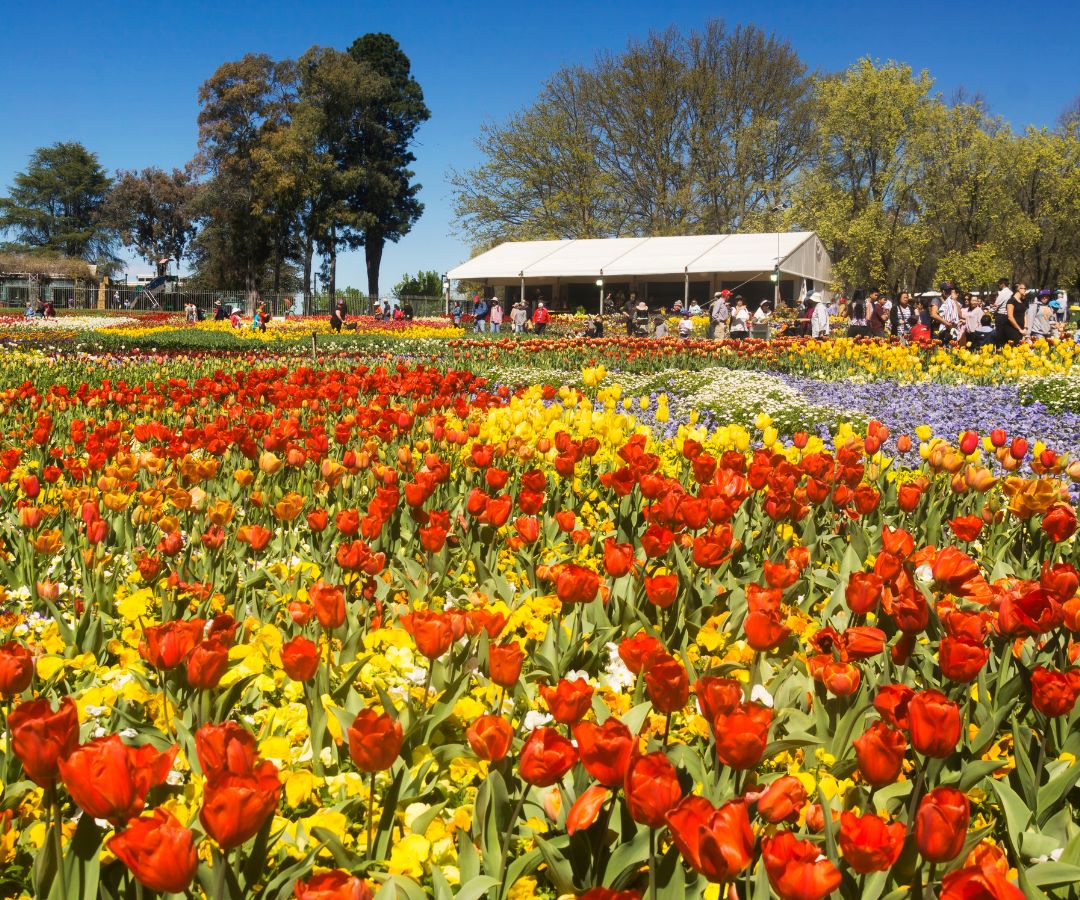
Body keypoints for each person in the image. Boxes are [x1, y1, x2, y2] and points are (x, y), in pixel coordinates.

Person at [992, 277, 1015, 348]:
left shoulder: (1003, 293)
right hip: (1008, 315)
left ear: (1002, 284)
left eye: (999, 284)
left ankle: (1000, 351)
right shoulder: (1011, 293)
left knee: (1000, 337)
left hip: (1001, 316)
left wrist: (991, 311)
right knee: (1007, 336)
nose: (999, 286)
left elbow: (996, 305)